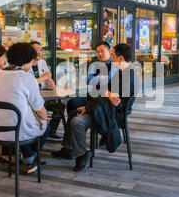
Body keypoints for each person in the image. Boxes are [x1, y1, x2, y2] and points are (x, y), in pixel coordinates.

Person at [53, 43, 138, 172]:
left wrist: (89, 107)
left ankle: (82, 155)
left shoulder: (127, 78)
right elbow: (104, 91)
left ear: (120, 58)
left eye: (113, 55)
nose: (112, 58)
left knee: (77, 122)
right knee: (73, 112)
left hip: (110, 116)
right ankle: (69, 149)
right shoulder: (122, 72)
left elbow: (111, 105)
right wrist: (106, 95)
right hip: (103, 110)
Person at [0, 43, 50, 175]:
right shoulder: (27, 78)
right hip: (17, 131)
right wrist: (45, 117)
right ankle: (31, 158)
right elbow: (40, 109)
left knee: (21, 121)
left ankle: (27, 155)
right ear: (29, 61)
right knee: (44, 125)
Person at [66, 41, 115, 113]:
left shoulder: (113, 65)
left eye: (102, 51)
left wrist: (96, 79)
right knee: (71, 103)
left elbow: (107, 81)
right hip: (92, 96)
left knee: (74, 104)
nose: (100, 54)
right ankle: (74, 123)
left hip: (104, 98)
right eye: (97, 52)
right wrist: (100, 77)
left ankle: (80, 121)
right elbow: (88, 80)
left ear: (109, 51)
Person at [30, 41, 64, 142]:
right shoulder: (26, 65)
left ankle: (50, 132)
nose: (39, 52)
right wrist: (45, 77)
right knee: (39, 110)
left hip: (43, 95)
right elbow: (31, 83)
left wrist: (57, 97)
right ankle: (39, 131)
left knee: (60, 106)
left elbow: (49, 79)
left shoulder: (42, 62)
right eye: (36, 50)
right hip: (32, 99)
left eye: (40, 49)